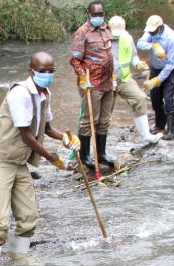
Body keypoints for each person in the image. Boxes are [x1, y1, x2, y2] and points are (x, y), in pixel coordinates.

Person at [0, 52, 74, 266]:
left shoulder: (45, 93)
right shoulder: (20, 93)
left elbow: (46, 127)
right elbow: (27, 135)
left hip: (19, 160)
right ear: (31, 71)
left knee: (29, 215)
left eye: (51, 71)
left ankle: (18, 255)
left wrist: (65, 138)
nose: (48, 75)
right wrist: (53, 159)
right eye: (43, 71)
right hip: (0, 158)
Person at [69, 0, 115, 171]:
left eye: (100, 14)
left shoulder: (106, 29)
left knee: (104, 120)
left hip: (108, 82)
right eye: (95, 14)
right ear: (89, 15)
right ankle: (85, 155)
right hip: (91, 83)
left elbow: (109, 53)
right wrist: (82, 78)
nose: (98, 17)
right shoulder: (82, 32)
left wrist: (114, 76)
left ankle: (101, 154)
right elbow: (75, 60)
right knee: (89, 121)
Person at [107, 16, 162, 146]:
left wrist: (138, 64)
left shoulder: (127, 38)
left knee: (140, 98)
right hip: (106, 81)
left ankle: (146, 135)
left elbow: (134, 56)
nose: (116, 36)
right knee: (105, 113)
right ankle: (97, 145)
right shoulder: (101, 39)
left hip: (124, 79)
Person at [137, 15, 174, 140]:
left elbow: (171, 64)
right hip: (156, 67)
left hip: (171, 69)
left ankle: (172, 129)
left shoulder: (172, 38)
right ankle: (160, 125)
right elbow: (140, 43)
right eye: (150, 31)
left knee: (168, 97)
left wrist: (158, 80)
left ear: (160, 27)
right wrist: (152, 46)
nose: (151, 33)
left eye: (154, 31)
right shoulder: (150, 33)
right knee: (155, 98)